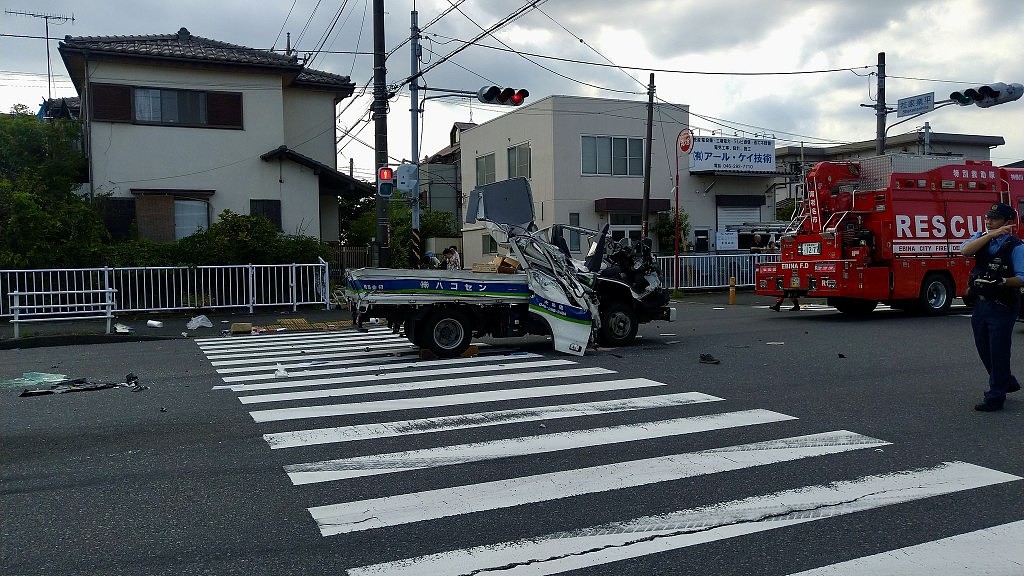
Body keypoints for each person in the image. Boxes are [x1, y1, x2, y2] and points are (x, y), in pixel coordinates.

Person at [960, 202, 1024, 412]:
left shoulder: (1016, 246)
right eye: (987, 218)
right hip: (981, 304)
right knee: (984, 348)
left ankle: (995, 396)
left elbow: (1022, 278)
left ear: (1007, 223)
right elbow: (965, 251)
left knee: (998, 351)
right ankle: (1007, 381)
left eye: (994, 219)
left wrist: (1003, 282)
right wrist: (990, 235)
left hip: (1003, 305)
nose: (989, 222)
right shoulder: (981, 237)